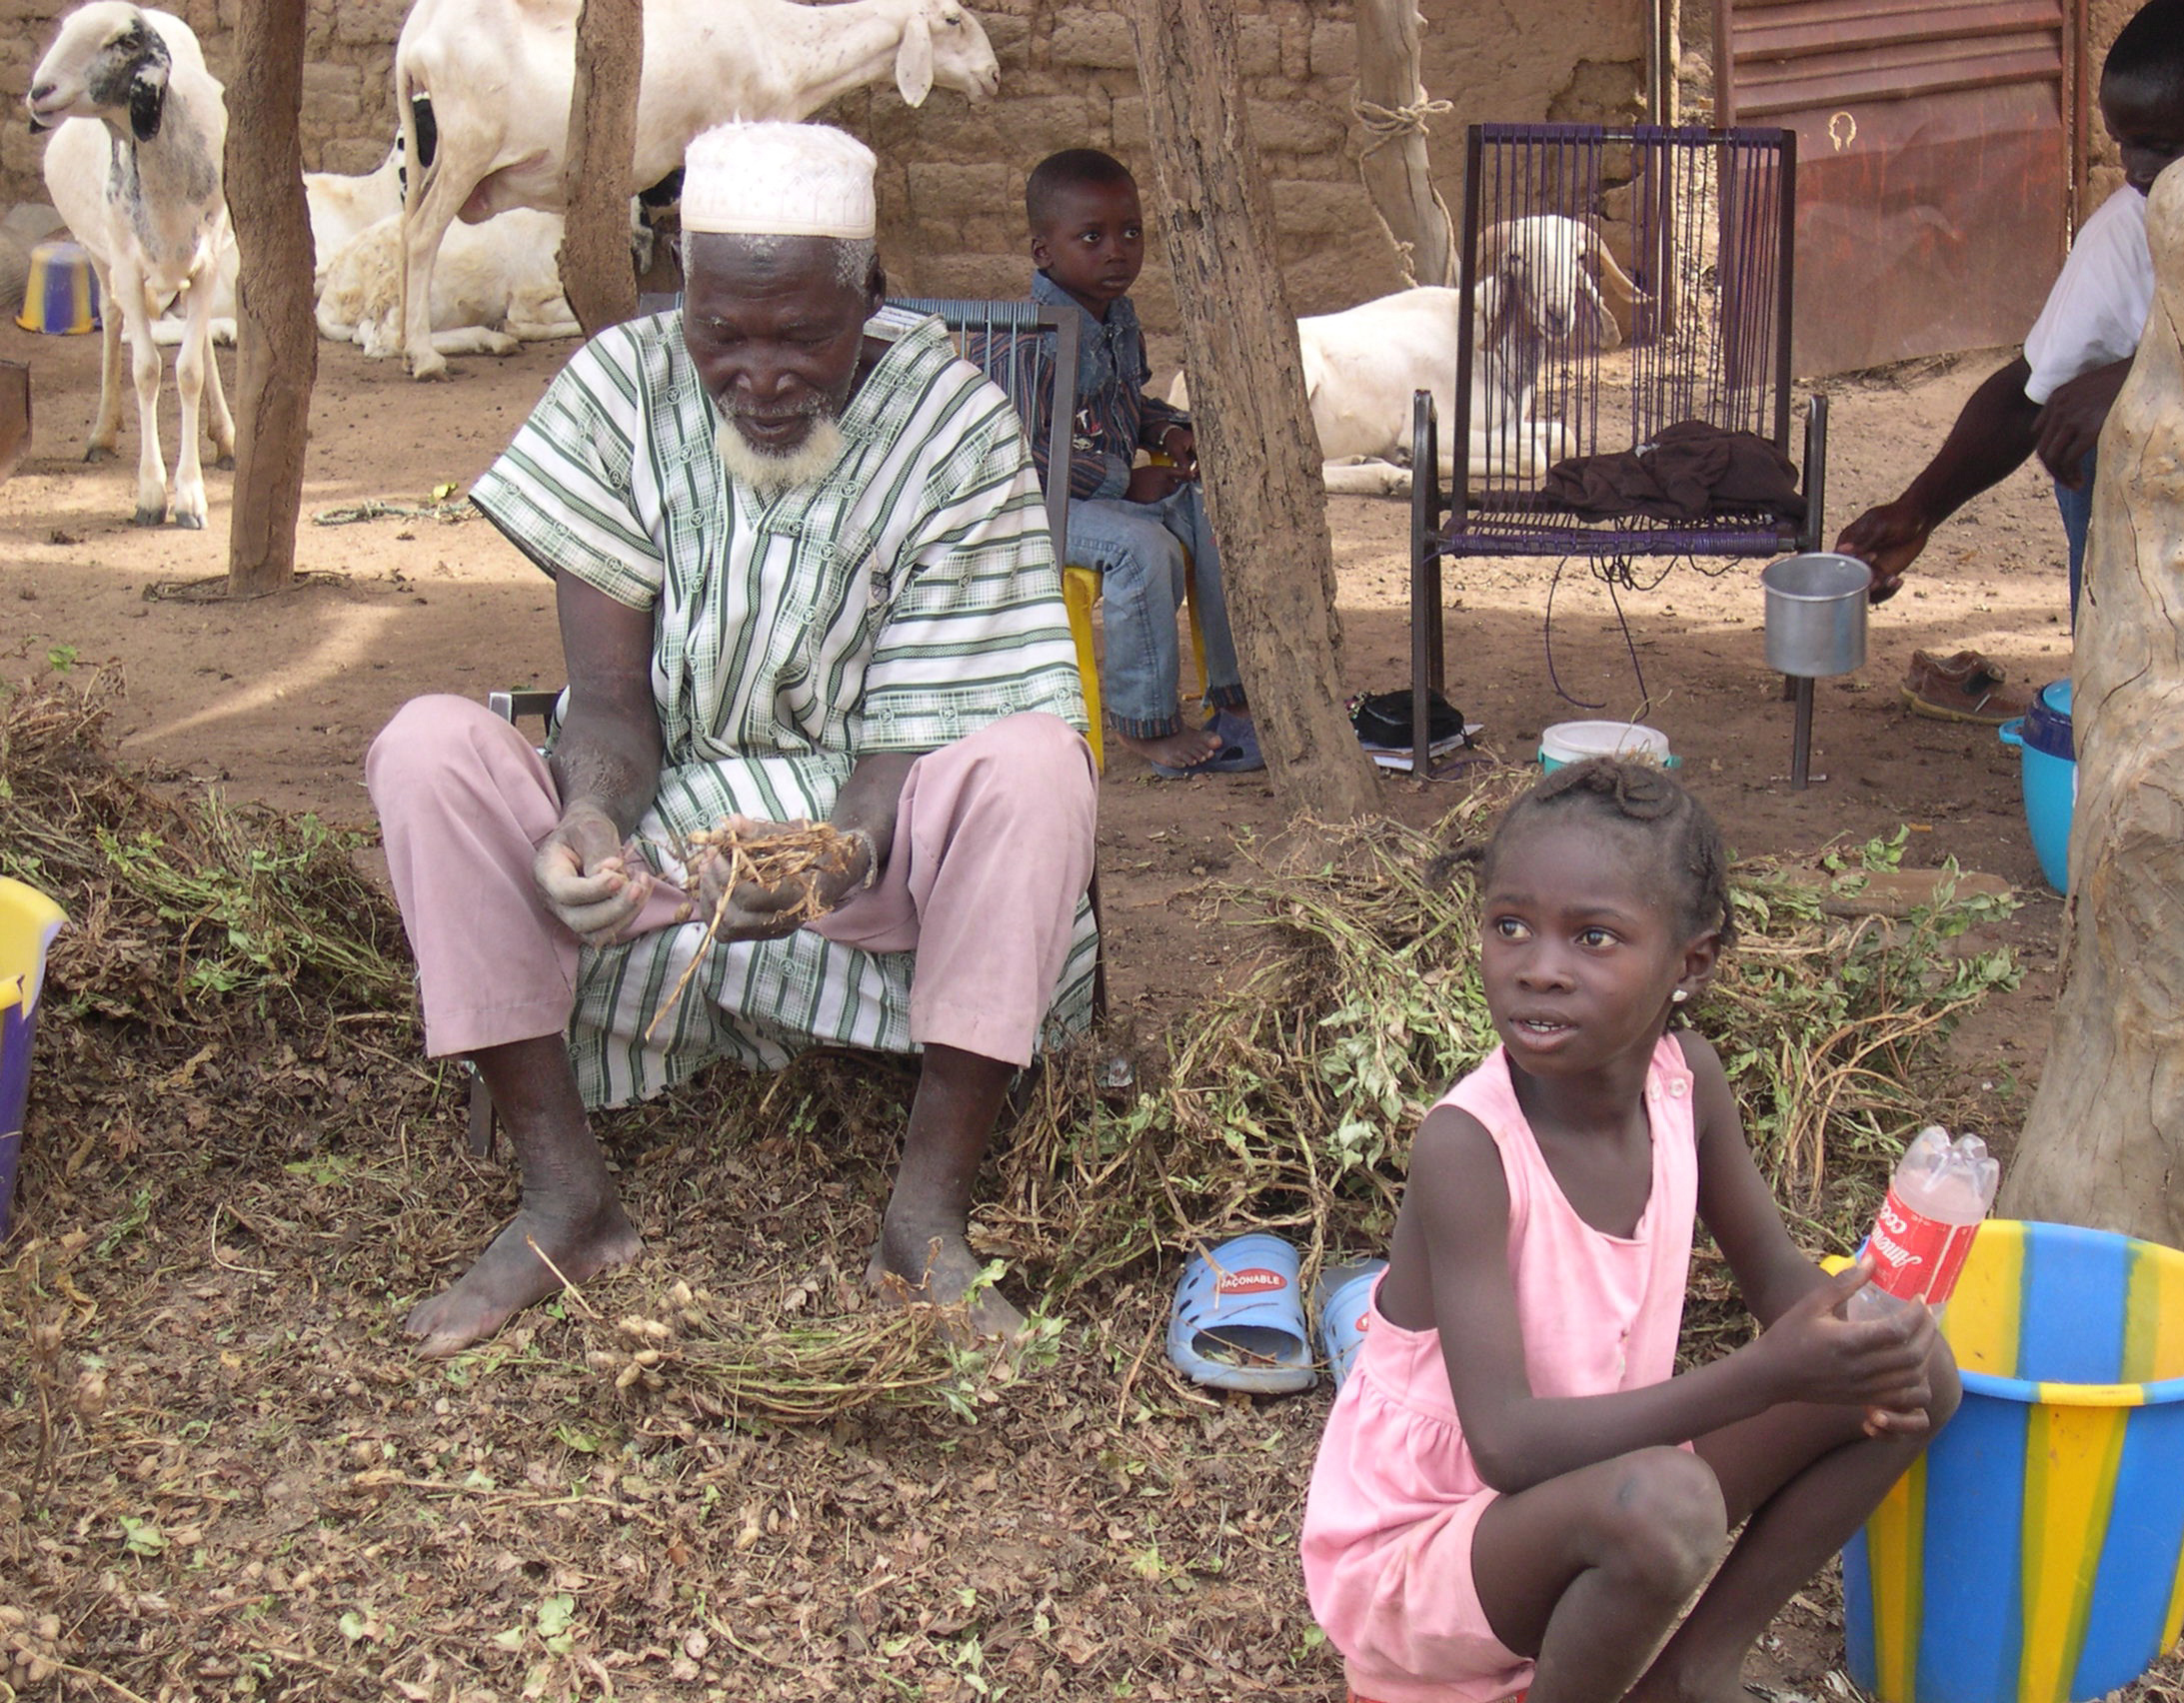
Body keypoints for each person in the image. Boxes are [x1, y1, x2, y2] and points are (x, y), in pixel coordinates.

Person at [364, 121, 1098, 1356]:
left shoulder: (953, 428)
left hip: (878, 838)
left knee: (1036, 766)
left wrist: (826, 858)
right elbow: (607, 705)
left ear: (871, 298)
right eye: (722, 334)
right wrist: (588, 819)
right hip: (660, 830)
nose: (758, 374)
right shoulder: (618, 391)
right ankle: (564, 1200)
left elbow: (918, 735)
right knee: (425, 748)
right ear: (683, 298)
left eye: (801, 336)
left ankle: (924, 1222)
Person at [1302, 760, 1959, 1703]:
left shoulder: (1686, 1086)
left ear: (1690, 964)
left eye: (1594, 937)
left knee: (1919, 1372)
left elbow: (1777, 1278)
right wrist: (1768, 1374)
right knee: (1668, 1505)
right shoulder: (1469, 1149)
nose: (1539, 966)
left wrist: (1863, 1335)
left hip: (1595, 1489)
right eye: (1510, 925)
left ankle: (1694, 1673)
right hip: (1424, 1550)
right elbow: (1507, 1446)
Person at [1836, 0, 2184, 724]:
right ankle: (2124, 692)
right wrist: (1919, 510)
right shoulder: (2130, 229)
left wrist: (2145, 374)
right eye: (2123, 145)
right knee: (2090, 430)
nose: (2136, 171)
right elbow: (2028, 394)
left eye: (2159, 145)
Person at [1025, 147, 1262, 778]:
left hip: (1106, 498)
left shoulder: (1117, 318)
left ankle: (1234, 692)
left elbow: (1126, 400)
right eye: (1092, 237)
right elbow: (1021, 448)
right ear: (1043, 251)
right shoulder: (1032, 338)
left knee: (1212, 515)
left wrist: (1168, 428)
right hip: (1042, 505)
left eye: (1131, 233)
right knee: (1144, 550)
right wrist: (1124, 481)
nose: (1117, 251)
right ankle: (1146, 725)